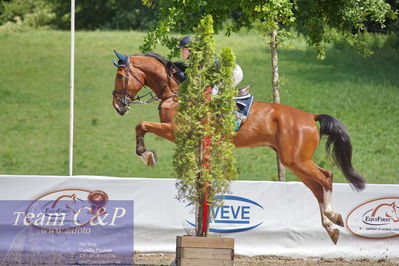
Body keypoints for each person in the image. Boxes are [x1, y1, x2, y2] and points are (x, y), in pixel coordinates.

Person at [177, 35, 252, 130]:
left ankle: (238, 115)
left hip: (233, 72)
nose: (181, 52)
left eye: (183, 49)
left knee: (214, 93)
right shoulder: (195, 59)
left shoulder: (201, 60)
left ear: (190, 49)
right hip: (225, 73)